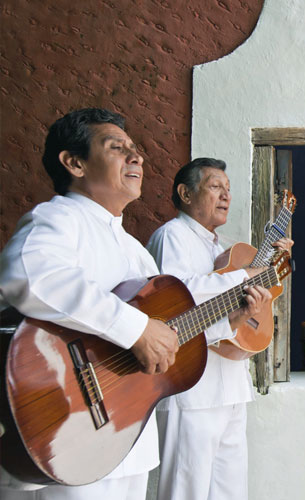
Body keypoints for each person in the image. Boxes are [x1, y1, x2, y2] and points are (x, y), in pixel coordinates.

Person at [0, 108, 179, 499]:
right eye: (118, 148)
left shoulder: (136, 252)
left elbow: (157, 335)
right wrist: (135, 328)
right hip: (68, 430)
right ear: (74, 162)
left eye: (135, 149)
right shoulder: (58, 218)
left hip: (127, 432)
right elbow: (31, 275)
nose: (137, 157)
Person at [146, 157, 288, 500]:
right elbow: (178, 297)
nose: (225, 195)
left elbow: (234, 303)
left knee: (230, 491)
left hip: (231, 387)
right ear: (185, 193)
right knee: (186, 491)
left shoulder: (224, 249)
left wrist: (269, 274)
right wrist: (247, 278)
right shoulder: (172, 235)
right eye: (214, 187)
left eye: (228, 189)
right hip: (191, 390)